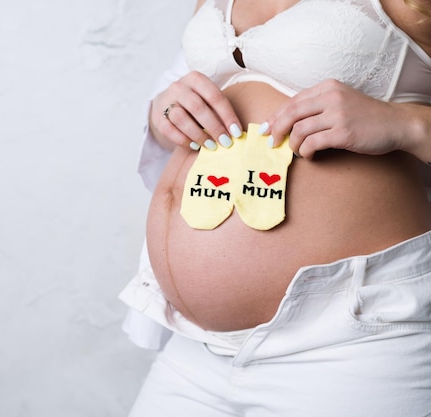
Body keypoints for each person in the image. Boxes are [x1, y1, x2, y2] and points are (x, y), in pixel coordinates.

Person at [119, 0, 431, 415]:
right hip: (197, 346)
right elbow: (182, 93)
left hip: (353, 340)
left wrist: (406, 124)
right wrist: (165, 114)